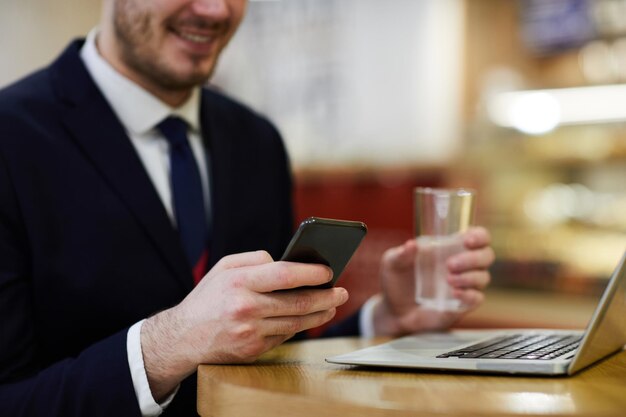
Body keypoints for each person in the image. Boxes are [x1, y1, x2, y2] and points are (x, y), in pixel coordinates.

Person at [0, 1, 495, 416]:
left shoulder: (257, 140)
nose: (216, 10)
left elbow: (276, 355)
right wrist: (168, 345)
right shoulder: (12, 136)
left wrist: (386, 319)